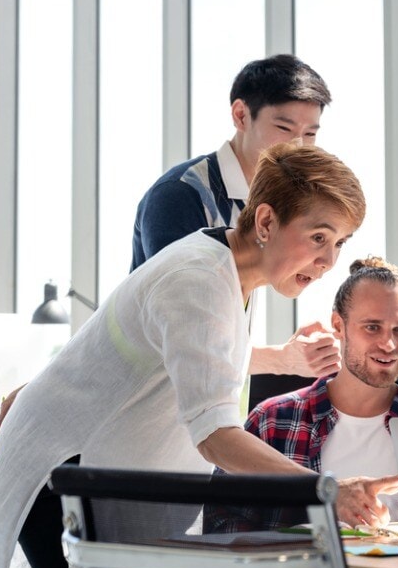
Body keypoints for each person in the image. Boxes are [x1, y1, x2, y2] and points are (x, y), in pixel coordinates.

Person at [0, 144, 398, 568]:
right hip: (60, 467)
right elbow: (214, 435)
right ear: (266, 222)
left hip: (105, 466)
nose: (329, 262)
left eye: (339, 243)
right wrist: (325, 490)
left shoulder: (232, 275)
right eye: (318, 238)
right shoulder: (199, 280)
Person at [206, 257, 398, 533]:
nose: (388, 344)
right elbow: (221, 522)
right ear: (338, 325)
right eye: (372, 327)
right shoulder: (270, 421)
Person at [133, 53, 340, 380]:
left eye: (311, 134)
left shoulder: (266, 202)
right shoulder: (182, 194)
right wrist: (281, 360)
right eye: (284, 128)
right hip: (146, 401)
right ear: (241, 115)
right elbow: (184, 337)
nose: (298, 147)